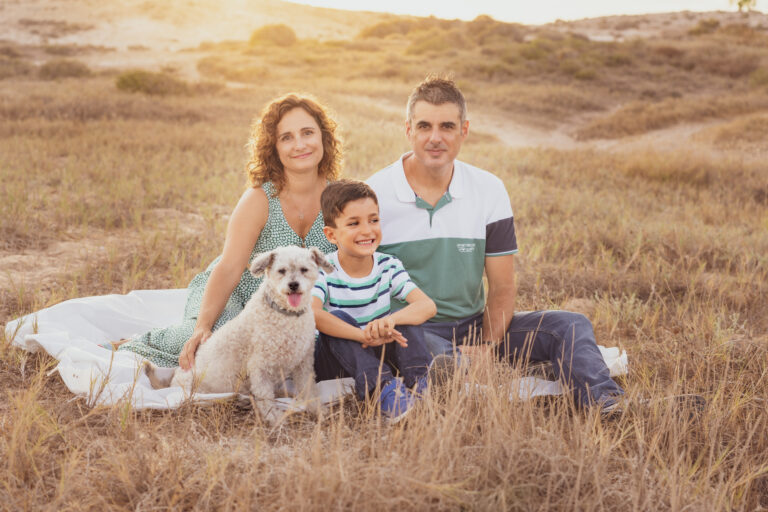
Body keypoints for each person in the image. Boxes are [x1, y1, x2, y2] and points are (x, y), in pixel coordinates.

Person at [365, 76, 625, 413]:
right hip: (411, 331)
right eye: (424, 126)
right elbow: (365, 285)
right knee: (433, 353)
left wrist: (487, 346)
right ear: (408, 130)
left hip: (474, 326)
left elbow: (502, 286)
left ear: (464, 130)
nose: (435, 138)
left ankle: (605, 403)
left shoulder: (488, 189)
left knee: (570, 325)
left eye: (447, 126)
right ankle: (463, 374)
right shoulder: (375, 193)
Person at [113, 93, 341, 369]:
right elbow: (229, 268)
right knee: (212, 344)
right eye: (287, 137)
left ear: (323, 138)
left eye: (307, 133)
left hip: (294, 306)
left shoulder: (339, 198)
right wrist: (202, 326)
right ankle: (137, 344)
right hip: (238, 295)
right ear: (274, 148)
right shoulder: (259, 199)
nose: (300, 144)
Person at [311, 179, 438, 421]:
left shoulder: (388, 265)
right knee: (337, 318)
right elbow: (314, 314)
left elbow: (427, 306)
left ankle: (419, 385)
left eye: (374, 220)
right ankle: (384, 391)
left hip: (377, 350)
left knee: (407, 319)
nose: (367, 230)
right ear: (331, 234)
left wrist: (389, 322)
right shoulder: (322, 269)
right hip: (334, 359)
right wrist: (361, 335)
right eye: (353, 223)